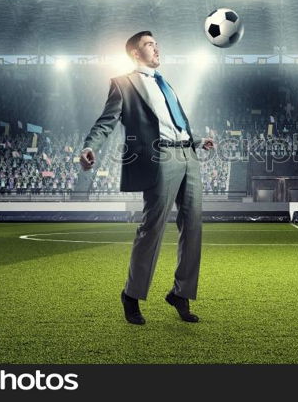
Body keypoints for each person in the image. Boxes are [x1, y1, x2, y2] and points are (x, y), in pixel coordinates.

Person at [79, 31, 214, 325]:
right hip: (159, 158)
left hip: (188, 157)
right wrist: (90, 146)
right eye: (149, 44)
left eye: (156, 43)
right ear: (135, 53)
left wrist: (196, 140)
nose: (156, 48)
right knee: (152, 227)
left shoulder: (166, 83)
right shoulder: (123, 84)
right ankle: (132, 294)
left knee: (193, 227)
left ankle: (181, 293)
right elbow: (106, 122)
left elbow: (175, 125)